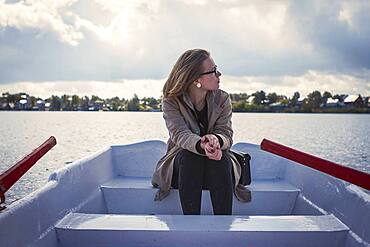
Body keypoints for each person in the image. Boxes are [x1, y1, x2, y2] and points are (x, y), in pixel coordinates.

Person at [152, 49, 251, 215]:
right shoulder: (171, 101)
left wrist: (216, 141)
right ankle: (190, 226)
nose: (219, 74)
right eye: (213, 71)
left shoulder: (222, 99)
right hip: (183, 170)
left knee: (221, 158)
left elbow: (226, 133)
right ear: (196, 78)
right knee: (190, 156)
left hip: (217, 168)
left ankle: (223, 225)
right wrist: (201, 145)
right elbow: (179, 134)